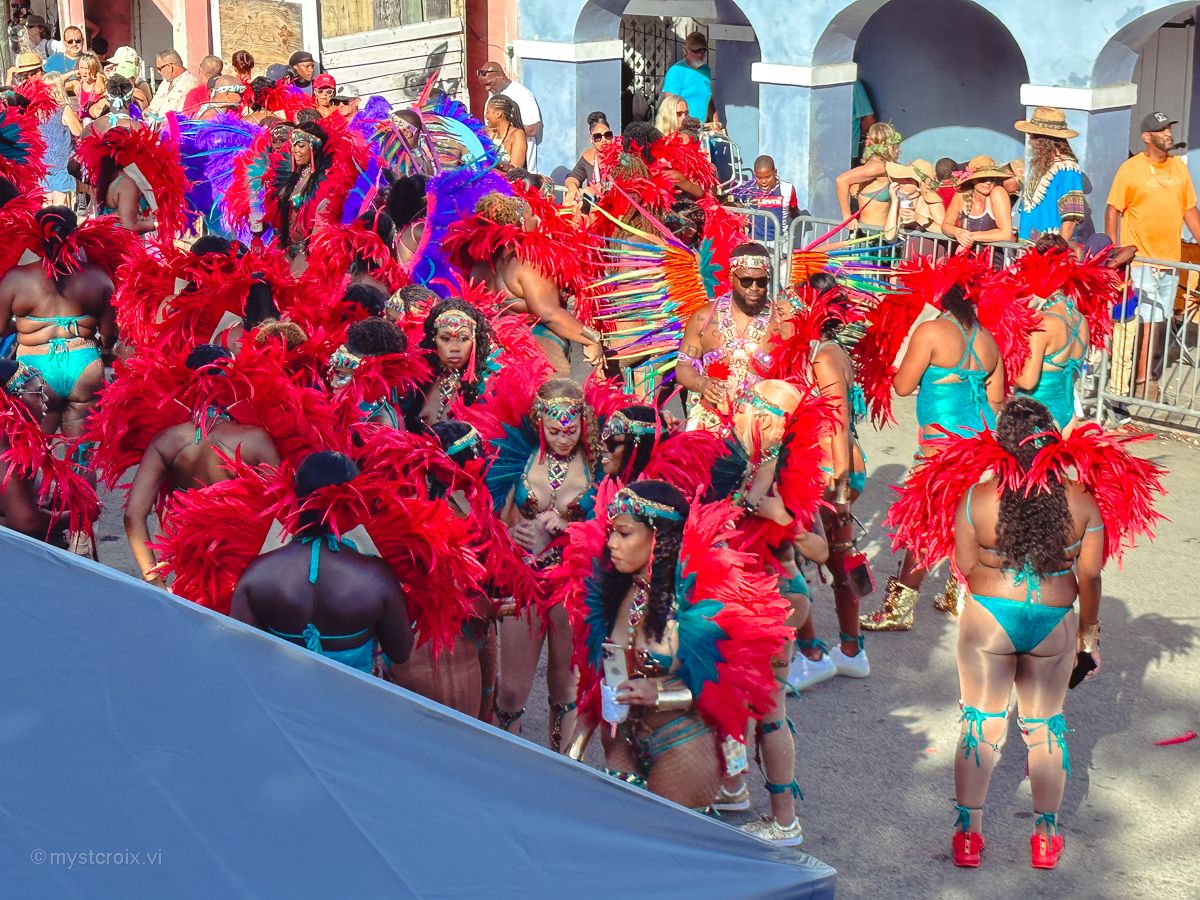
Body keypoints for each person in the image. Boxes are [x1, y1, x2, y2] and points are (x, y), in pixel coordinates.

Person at [886, 399, 1138, 869]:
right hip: (1054, 619)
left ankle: (968, 837)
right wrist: (1090, 637)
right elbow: (1092, 578)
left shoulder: (977, 497)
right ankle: (1044, 839)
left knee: (980, 722)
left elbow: (963, 565)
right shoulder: (1081, 498)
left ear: (1002, 446)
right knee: (1045, 728)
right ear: (1053, 445)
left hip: (988, 617)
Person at [861, 281, 1004, 631]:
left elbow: (903, 386)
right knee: (965, 520)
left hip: (942, 446)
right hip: (983, 440)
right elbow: (998, 400)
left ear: (944, 299)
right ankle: (958, 595)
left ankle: (898, 609)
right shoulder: (988, 340)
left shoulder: (931, 331)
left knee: (924, 525)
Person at [231, 451, 414, 673]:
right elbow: (400, 652)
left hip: (277, 703)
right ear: (353, 501)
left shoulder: (256, 575)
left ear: (295, 495)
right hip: (353, 704)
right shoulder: (377, 578)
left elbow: (242, 652)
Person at [492, 378, 597, 751]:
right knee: (512, 687)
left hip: (573, 586)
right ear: (540, 423)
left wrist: (568, 529)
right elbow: (497, 520)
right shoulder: (518, 459)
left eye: (571, 430)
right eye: (554, 431)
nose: (564, 439)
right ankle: (502, 764)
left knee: (564, 685)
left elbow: (611, 529)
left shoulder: (599, 467)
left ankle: (562, 768)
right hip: (523, 580)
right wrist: (509, 537)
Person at [123, 345, 282, 587]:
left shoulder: (166, 440)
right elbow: (281, 510)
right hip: (245, 568)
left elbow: (132, 515)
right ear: (233, 380)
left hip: (188, 562)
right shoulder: (255, 439)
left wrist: (155, 583)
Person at [789, 274, 870, 686]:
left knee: (798, 556)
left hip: (827, 471)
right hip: (834, 468)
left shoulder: (822, 356)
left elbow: (837, 424)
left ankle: (811, 652)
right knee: (840, 557)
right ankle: (852, 649)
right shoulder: (833, 350)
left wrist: (839, 489)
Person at [1105, 110, 1200, 409]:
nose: (1168, 134)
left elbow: (1189, 211)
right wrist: (1115, 252)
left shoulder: (1179, 170)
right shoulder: (1130, 170)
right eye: (1161, 130)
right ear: (1147, 137)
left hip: (1170, 262)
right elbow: (1112, 211)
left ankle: (1148, 381)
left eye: (1169, 129)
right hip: (1141, 262)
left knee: (1158, 325)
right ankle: (1128, 383)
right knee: (1139, 324)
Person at [451, 192, 602, 375]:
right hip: (532, 352)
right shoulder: (526, 261)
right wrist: (592, 338)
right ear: (521, 223)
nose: (537, 219)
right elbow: (549, 314)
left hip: (489, 350)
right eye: (531, 215)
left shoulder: (480, 260)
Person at [676, 242, 779, 434]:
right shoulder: (704, 318)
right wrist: (702, 383)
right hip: (709, 428)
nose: (754, 288)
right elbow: (683, 367)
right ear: (732, 277)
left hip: (760, 432)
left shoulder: (781, 322)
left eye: (762, 281)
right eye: (746, 281)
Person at [1014, 107, 1085, 242]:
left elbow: (1071, 217)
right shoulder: (1040, 165)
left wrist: (1058, 250)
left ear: (1043, 140)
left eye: (1033, 136)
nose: (1030, 141)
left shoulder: (1068, 169)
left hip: (1048, 248)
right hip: (1027, 245)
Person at [835, 122, 902, 230]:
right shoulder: (877, 166)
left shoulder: (878, 166)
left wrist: (847, 216)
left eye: (868, 138)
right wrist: (847, 216)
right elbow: (842, 181)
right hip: (869, 232)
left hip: (877, 235)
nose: (866, 141)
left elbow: (841, 180)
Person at [477, 61, 541, 171]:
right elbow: (490, 128)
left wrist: (507, 129)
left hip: (522, 173)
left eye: (489, 83)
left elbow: (533, 129)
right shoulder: (493, 98)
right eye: (484, 85)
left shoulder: (522, 94)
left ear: (500, 76)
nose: (487, 89)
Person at [943, 156, 1015, 248]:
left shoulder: (998, 192)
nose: (988, 182)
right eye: (983, 178)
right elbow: (945, 225)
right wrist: (957, 232)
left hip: (992, 259)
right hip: (966, 258)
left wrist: (969, 237)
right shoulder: (962, 195)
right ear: (973, 180)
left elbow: (1005, 234)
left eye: (992, 178)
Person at [37, 72, 82, 206]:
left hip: (42, 161)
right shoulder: (63, 109)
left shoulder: (37, 110)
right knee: (60, 205)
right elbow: (78, 131)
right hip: (60, 162)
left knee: (46, 202)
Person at [732, 155, 799, 244]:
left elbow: (794, 210)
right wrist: (741, 217)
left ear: (775, 172)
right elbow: (734, 203)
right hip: (754, 242)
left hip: (780, 242)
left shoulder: (788, 189)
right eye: (759, 178)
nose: (763, 181)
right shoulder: (748, 189)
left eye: (768, 177)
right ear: (755, 174)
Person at [882, 159, 945, 240]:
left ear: (919, 187)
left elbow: (944, 231)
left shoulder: (931, 202)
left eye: (907, 180)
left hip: (929, 251)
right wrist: (894, 201)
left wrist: (919, 218)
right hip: (908, 251)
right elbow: (889, 236)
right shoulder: (899, 201)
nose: (900, 182)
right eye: (900, 178)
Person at [661, 31, 714, 126]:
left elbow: (708, 99)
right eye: (696, 50)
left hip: (703, 128)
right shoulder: (676, 71)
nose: (700, 54)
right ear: (686, 50)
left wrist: (714, 121)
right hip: (684, 128)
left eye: (703, 50)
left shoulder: (706, 70)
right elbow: (670, 106)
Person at [563, 111, 614, 206]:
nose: (604, 140)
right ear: (591, 139)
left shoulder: (622, 156)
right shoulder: (588, 156)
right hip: (596, 211)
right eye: (598, 137)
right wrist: (572, 187)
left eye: (607, 135)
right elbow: (573, 177)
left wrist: (600, 188)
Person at [146, 49, 197, 118]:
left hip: (173, 127)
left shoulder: (190, 84)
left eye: (159, 68)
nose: (158, 72)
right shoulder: (165, 83)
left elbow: (182, 116)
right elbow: (152, 108)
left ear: (170, 67)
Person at [484, 94, 526, 169]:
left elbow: (515, 170)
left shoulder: (517, 134)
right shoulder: (490, 133)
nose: (485, 116)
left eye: (487, 112)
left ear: (498, 113)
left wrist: (489, 167)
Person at [71, 51, 105, 119]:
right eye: (81, 68)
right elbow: (53, 84)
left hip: (96, 122)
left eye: (87, 68)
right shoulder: (77, 84)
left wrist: (99, 75)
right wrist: (73, 72)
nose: (84, 72)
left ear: (94, 69)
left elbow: (98, 91)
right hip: (81, 122)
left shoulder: (99, 82)